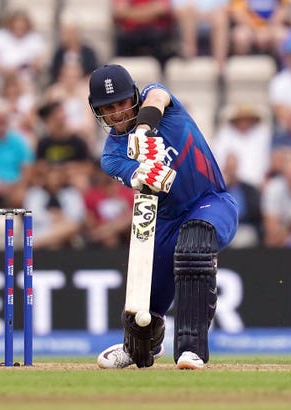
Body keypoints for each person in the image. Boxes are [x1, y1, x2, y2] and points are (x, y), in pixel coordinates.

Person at [87, 64, 238, 370]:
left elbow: (157, 97)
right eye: (108, 108)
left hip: (211, 201)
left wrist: (142, 130)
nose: (117, 113)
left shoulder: (159, 101)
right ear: (98, 111)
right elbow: (139, 179)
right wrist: (143, 172)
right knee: (142, 304)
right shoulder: (112, 155)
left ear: (133, 97)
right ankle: (137, 349)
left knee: (194, 241)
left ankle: (190, 349)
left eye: (122, 103)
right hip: (165, 220)